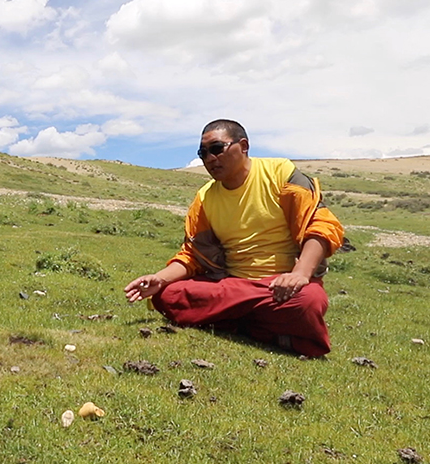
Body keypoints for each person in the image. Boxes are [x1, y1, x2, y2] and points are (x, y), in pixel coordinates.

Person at [124, 119, 344, 357]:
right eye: (203, 153)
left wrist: (300, 274)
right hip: (232, 285)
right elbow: (193, 255)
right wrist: (159, 279)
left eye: (217, 148)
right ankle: (264, 328)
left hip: (283, 285)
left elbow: (320, 224)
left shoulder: (280, 173)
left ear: (244, 146)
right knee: (167, 295)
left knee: (307, 301)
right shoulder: (205, 197)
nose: (210, 158)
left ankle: (234, 321)